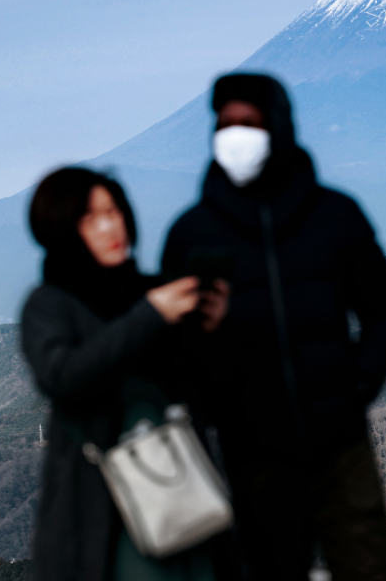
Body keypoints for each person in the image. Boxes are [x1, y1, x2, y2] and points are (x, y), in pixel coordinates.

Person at [160, 73, 386, 581]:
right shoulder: (192, 234)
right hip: (252, 454)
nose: (235, 136)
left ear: (277, 128)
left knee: (368, 569)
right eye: (225, 124)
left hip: (339, 445)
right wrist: (217, 406)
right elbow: (172, 348)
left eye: (247, 123)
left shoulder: (334, 216)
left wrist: (354, 386)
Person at [21, 167, 231, 581]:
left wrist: (213, 329)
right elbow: (62, 376)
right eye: (90, 218)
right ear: (63, 231)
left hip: (184, 493)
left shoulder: (156, 294)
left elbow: (214, 396)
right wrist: (150, 316)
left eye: (114, 211)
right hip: (101, 510)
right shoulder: (50, 306)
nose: (110, 226)